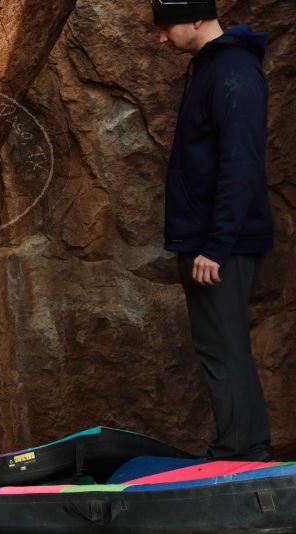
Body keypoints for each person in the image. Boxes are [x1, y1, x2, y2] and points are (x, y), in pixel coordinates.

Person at [152, 0, 275, 460]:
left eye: (166, 26)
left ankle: (240, 453)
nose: (160, 38)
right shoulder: (211, 67)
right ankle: (243, 448)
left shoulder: (233, 71)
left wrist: (217, 247)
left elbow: (240, 165)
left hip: (220, 245)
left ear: (198, 17)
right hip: (207, 241)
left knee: (223, 350)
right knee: (221, 347)